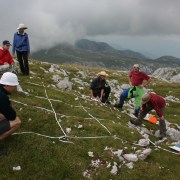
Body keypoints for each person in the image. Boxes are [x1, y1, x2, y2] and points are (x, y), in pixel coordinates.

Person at [0, 72, 21, 155]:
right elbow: (12, 116)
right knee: (17, 122)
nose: (15, 88)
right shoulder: (2, 97)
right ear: (7, 85)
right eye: (14, 86)